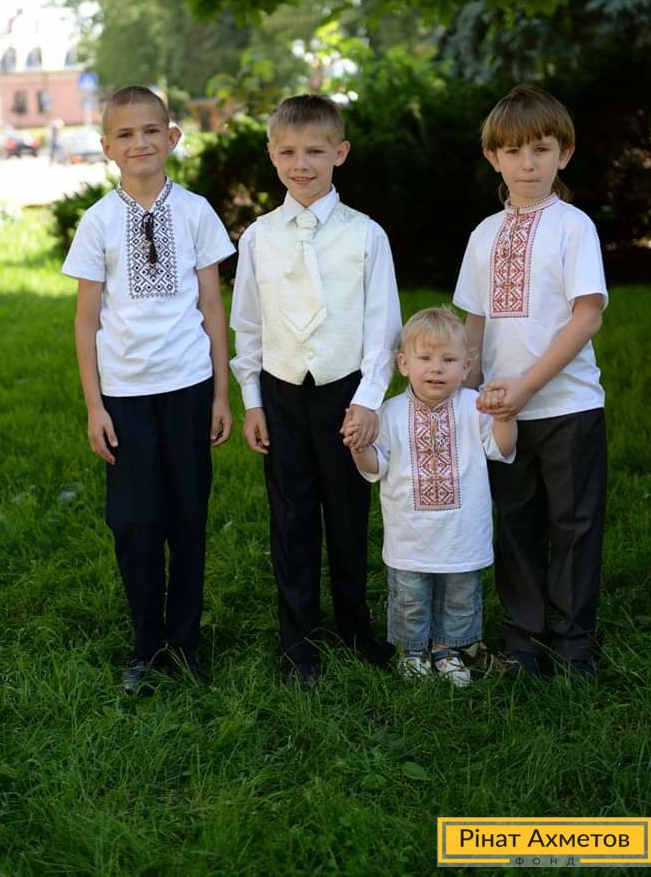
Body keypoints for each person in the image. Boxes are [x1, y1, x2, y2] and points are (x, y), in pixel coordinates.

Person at [62, 85, 235, 693]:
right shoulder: (98, 222)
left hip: (188, 386)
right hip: (125, 396)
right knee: (135, 520)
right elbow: (86, 320)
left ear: (173, 137)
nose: (140, 142)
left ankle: (184, 644)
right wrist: (94, 406)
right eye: (126, 134)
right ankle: (146, 641)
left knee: (187, 515)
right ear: (107, 147)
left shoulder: (196, 212)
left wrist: (221, 394)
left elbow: (212, 306)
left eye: (151, 130)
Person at [230, 94, 401, 687]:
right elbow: (248, 324)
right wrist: (252, 400)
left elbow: (383, 325)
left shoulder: (366, 235)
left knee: (349, 515)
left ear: (340, 153)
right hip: (281, 391)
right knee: (291, 516)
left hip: (344, 391)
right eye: (288, 152)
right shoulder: (259, 237)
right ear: (272, 155)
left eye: (314, 151)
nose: (301, 164)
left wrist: (369, 398)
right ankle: (298, 641)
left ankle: (355, 627)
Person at [453, 84, 608, 679]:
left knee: (574, 524)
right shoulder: (483, 234)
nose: (528, 164)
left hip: (568, 405)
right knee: (515, 524)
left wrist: (529, 385)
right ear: (493, 157)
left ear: (563, 154)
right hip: (501, 413)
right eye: (513, 152)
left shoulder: (573, 227)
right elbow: (475, 323)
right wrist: (467, 392)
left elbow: (587, 315)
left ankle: (573, 646)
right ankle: (523, 639)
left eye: (541, 150)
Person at [349, 307, 517, 687]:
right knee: (410, 597)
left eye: (449, 360)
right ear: (403, 364)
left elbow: (502, 449)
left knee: (460, 596)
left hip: (462, 532)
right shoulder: (389, 413)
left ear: (466, 365)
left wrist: (506, 417)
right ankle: (412, 652)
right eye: (425, 358)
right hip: (410, 534)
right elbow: (376, 467)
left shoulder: (474, 407)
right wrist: (359, 448)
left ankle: (448, 649)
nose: (436, 369)